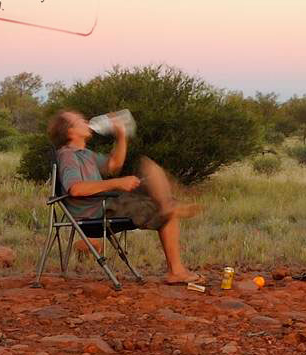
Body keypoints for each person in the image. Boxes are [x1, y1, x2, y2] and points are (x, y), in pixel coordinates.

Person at [47, 110, 200, 284]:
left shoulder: (85, 154)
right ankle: (176, 269)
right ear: (70, 131)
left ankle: (167, 206)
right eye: (80, 120)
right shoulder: (68, 156)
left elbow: (114, 165)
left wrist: (121, 136)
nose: (86, 121)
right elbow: (75, 189)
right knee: (166, 210)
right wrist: (117, 183)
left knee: (150, 169)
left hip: (109, 203)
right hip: (97, 213)